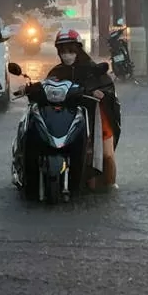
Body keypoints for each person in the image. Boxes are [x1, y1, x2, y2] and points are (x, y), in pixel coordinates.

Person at [48, 29, 120, 190]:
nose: (67, 55)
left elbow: (107, 88)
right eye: (63, 52)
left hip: (95, 115)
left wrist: (97, 93)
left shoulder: (93, 69)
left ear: (78, 50)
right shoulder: (57, 72)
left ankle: (110, 184)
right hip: (67, 118)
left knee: (107, 155)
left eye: (70, 51)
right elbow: (48, 87)